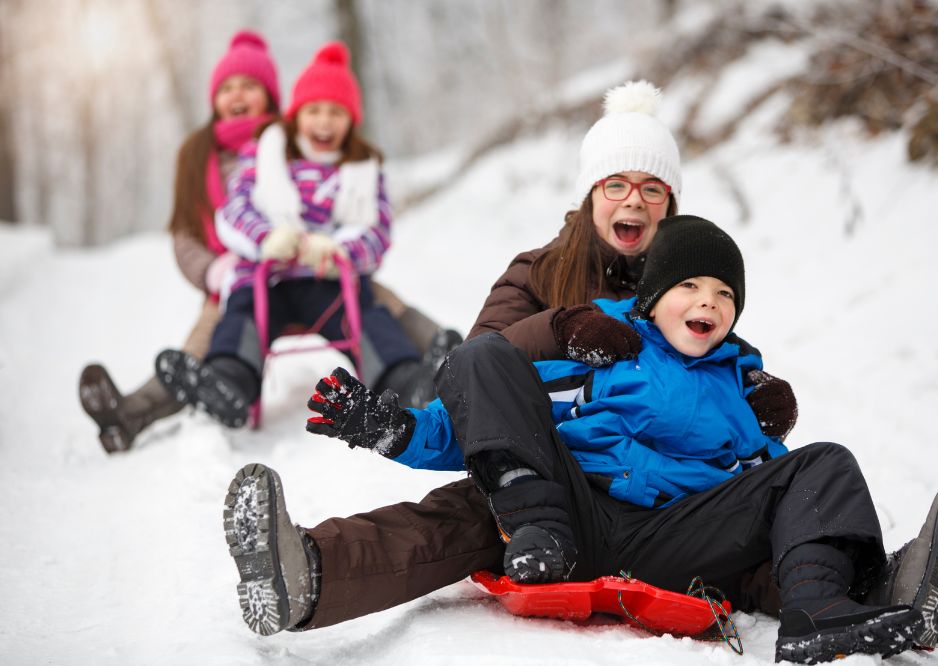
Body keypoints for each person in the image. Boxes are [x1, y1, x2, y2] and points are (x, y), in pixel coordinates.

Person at [220, 82, 799, 634]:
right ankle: (309, 573)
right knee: (471, 511)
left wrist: (758, 389)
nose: (635, 200)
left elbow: (722, 372)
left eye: (653, 188)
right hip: (551, 483)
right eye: (616, 183)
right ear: (592, 192)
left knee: (759, 529)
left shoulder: (696, 285)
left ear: (669, 203)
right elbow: (478, 375)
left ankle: (860, 586)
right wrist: (560, 327)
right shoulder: (539, 272)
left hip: (671, 499)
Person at [305, 216, 938, 662]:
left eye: (724, 294)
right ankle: (536, 527)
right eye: (688, 284)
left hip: (676, 534)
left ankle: (822, 613)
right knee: (483, 359)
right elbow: (492, 423)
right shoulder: (607, 345)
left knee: (824, 466)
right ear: (652, 297)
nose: (707, 302)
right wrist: (395, 432)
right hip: (570, 513)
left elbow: (779, 491)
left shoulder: (738, 385)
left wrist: (815, 522)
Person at [154, 42, 445, 428]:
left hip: (324, 279)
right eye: (314, 111)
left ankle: (403, 382)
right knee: (239, 318)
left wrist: (338, 250)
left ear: (350, 120)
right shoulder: (263, 157)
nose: (324, 122)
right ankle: (229, 384)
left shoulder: (358, 170)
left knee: (370, 316)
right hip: (267, 279)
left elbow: (377, 230)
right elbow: (234, 209)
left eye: (335, 112)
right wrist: (265, 239)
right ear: (295, 117)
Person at [78, 30, 282, 452]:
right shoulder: (196, 155)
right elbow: (185, 232)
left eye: (248, 85)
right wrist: (213, 269)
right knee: (203, 341)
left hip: (296, 269)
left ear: (270, 95)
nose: (236, 94)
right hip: (233, 281)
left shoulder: (289, 142)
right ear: (214, 98)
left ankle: (431, 361)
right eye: (227, 87)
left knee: (376, 303)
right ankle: (129, 413)